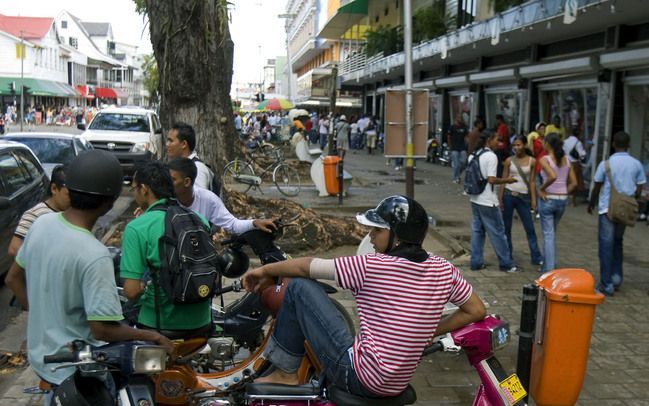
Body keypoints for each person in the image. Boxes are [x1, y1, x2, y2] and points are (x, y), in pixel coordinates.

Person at [242, 195, 486, 397]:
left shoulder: (372, 266)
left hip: (358, 376)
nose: (370, 236)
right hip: (396, 384)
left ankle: (286, 373)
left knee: (299, 288)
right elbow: (476, 310)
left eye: (377, 230)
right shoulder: (444, 269)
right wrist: (429, 331)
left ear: (397, 236)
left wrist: (264, 271)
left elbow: (306, 267)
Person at [5, 151, 172, 399]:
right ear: (110, 202)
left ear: (69, 190)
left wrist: (44, 315)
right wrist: (152, 336)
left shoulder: (41, 224)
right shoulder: (94, 254)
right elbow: (102, 329)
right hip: (77, 377)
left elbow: (12, 279)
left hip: (44, 362)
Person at [121, 160, 212, 332]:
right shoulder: (199, 220)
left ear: (144, 188)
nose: (135, 195)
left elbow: (131, 292)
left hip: (160, 326)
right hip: (203, 323)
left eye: (134, 189)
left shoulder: (137, 228)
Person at [588, 131, 646, 296]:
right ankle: (617, 278)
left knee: (606, 246)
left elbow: (597, 185)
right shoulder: (636, 164)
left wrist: (591, 203)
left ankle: (606, 284)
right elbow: (640, 187)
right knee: (618, 242)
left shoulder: (606, 164)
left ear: (613, 144)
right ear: (628, 145)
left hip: (607, 209)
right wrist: (630, 200)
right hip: (625, 210)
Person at [167, 158, 275, 234]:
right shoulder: (165, 202)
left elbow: (232, 224)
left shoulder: (208, 199)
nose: (167, 183)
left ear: (187, 182)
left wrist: (254, 223)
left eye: (173, 179)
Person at [469, 131, 518, 273]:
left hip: (475, 199)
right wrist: (508, 180)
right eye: (497, 139)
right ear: (489, 140)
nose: (500, 143)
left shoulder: (474, 155)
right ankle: (506, 264)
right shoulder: (491, 156)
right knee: (497, 233)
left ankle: (476, 262)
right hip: (488, 201)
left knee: (477, 232)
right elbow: (491, 179)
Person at [499, 136, 543, 267]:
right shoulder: (508, 161)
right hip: (508, 195)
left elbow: (532, 181)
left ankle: (536, 256)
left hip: (523, 197)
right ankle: (508, 255)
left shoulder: (532, 161)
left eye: (518, 145)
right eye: (514, 146)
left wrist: (534, 200)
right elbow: (503, 179)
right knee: (506, 228)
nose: (516, 148)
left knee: (529, 228)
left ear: (524, 145)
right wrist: (500, 198)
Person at [7, 165, 69, 258]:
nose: (74, 199)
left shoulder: (74, 214)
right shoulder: (35, 214)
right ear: (54, 189)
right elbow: (14, 249)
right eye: (69, 194)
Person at [537, 133, 577, 273]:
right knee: (551, 233)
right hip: (562, 200)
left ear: (548, 144)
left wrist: (541, 189)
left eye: (544, 141)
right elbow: (574, 183)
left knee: (548, 235)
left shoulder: (545, 159)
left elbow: (552, 176)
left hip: (548, 199)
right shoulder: (566, 160)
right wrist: (564, 192)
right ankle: (546, 264)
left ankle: (549, 270)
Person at [165, 122, 215, 191]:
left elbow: (199, 198)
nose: (167, 144)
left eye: (171, 141)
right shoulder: (178, 166)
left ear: (184, 144)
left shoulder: (198, 168)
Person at [563, 129, 587, 206]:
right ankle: (573, 201)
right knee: (575, 182)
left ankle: (564, 199)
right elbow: (582, 154)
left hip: (565, 162)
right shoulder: (578, 143)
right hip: (574, 163)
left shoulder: (565, 141)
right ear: (578, 134)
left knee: (566, 181)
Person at [447, 115, 469, 183]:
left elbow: (466, 136)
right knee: (456, 164)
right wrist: (450, 146)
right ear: (456, 119)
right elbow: (449, 137)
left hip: (462, 148)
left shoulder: (464, 127)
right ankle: (455, 178)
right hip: (454, 148)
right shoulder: (452, 127)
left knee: (463, 162)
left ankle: (458, 174)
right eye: (459, 118)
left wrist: (468, 143)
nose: (460, 119)